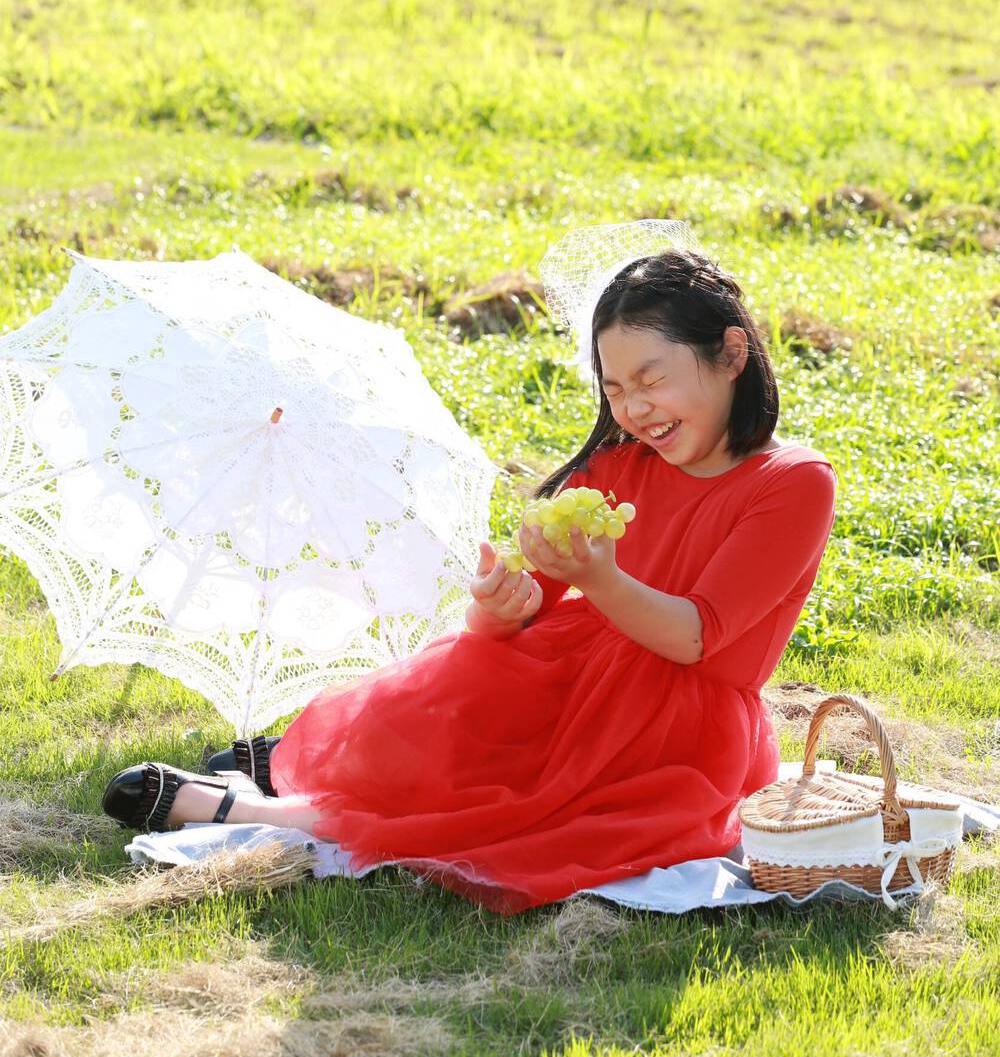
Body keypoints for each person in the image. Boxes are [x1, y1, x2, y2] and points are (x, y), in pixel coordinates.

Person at [101, 239, 837, 916]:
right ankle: (315, 764)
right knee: (459, 699)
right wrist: (497, 608)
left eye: (652, 379)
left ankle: (265, 811)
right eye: (615, 389)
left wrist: (600, 579)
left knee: (514, 817)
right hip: (570, 673)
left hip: (676, 731)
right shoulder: (617, 466)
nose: (635, 408)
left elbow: (696, 637)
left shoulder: (793, 482)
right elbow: (533, 602)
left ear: (731, 353)